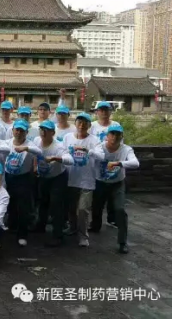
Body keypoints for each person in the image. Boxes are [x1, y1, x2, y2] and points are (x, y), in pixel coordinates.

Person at [90, 123, 139, 254]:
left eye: (118, 134)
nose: (115, 137)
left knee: (120, 209)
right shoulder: (100, 147)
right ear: (107, 136)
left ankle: (122, 242)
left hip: (117, 184)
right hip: (100, 182)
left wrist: (119, 163)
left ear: (121, 136)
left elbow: (135, 163)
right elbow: (97, 155)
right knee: (96, 207)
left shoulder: (126, 149)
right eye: (112, 134)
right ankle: (95, 226)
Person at [62, 112, 100, 248]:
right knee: (71, 208)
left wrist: (87, 150)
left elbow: (100, 156)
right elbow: (63, 152)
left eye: (85, 123)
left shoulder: (94, 140)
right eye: (79, 122)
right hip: (71, 178)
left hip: (87, 181)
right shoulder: (67, 137)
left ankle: (83, 236)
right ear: (75, 123)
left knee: (83, 209)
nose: (82, 125)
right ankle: (73, 228)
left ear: (89, 125)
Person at [3, 119, 43, 247]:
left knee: (23, 207)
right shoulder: (7, 143)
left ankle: (22, 234)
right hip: (8, 177)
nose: (19, 133)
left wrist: (26, 148)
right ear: (13, 130)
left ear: (26, 132)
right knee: (10, 204)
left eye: (22, 130)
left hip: (23, 178)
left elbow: (39, 152)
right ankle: (12, 227)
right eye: (17, 130)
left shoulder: (30, 145)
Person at [33, 120, 73, 246]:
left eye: (46, 130)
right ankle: (41, 225)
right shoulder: (36, 141)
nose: (43, 132)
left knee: (56, 205)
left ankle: (58, 235)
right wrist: (35, 166)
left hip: (58, 177)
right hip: (44, 176)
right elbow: (33, 153)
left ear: (53, 133)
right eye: (42, 129)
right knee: (43, 202)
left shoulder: (58, 146)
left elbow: (70, 160)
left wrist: (56, 158)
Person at [90, 101, 119, 228]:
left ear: (110, 111)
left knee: (112, 194)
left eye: (106, 110)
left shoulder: (116, 125)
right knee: (98, 196)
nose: (104, 112)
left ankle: (112, 218)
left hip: (112, 162)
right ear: (97, 112)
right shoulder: (92, 126)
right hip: (96, 164)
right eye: (101, 110)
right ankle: (95, 223)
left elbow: (120, 143)